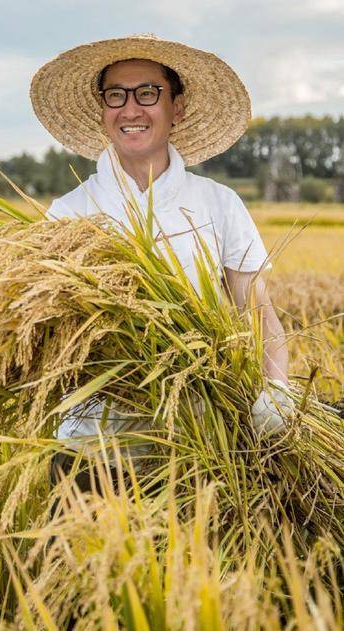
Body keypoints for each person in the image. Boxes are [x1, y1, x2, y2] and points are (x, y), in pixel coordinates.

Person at [30, 34, 295, 469]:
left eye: (148, 93)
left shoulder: (218, 204)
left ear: (178, 106)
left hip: (203, 446)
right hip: (92, 452)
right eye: (116, 95)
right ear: (102, 110)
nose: (130, 109)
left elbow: (260, 316)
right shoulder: (69, 214)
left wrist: (277, 389)